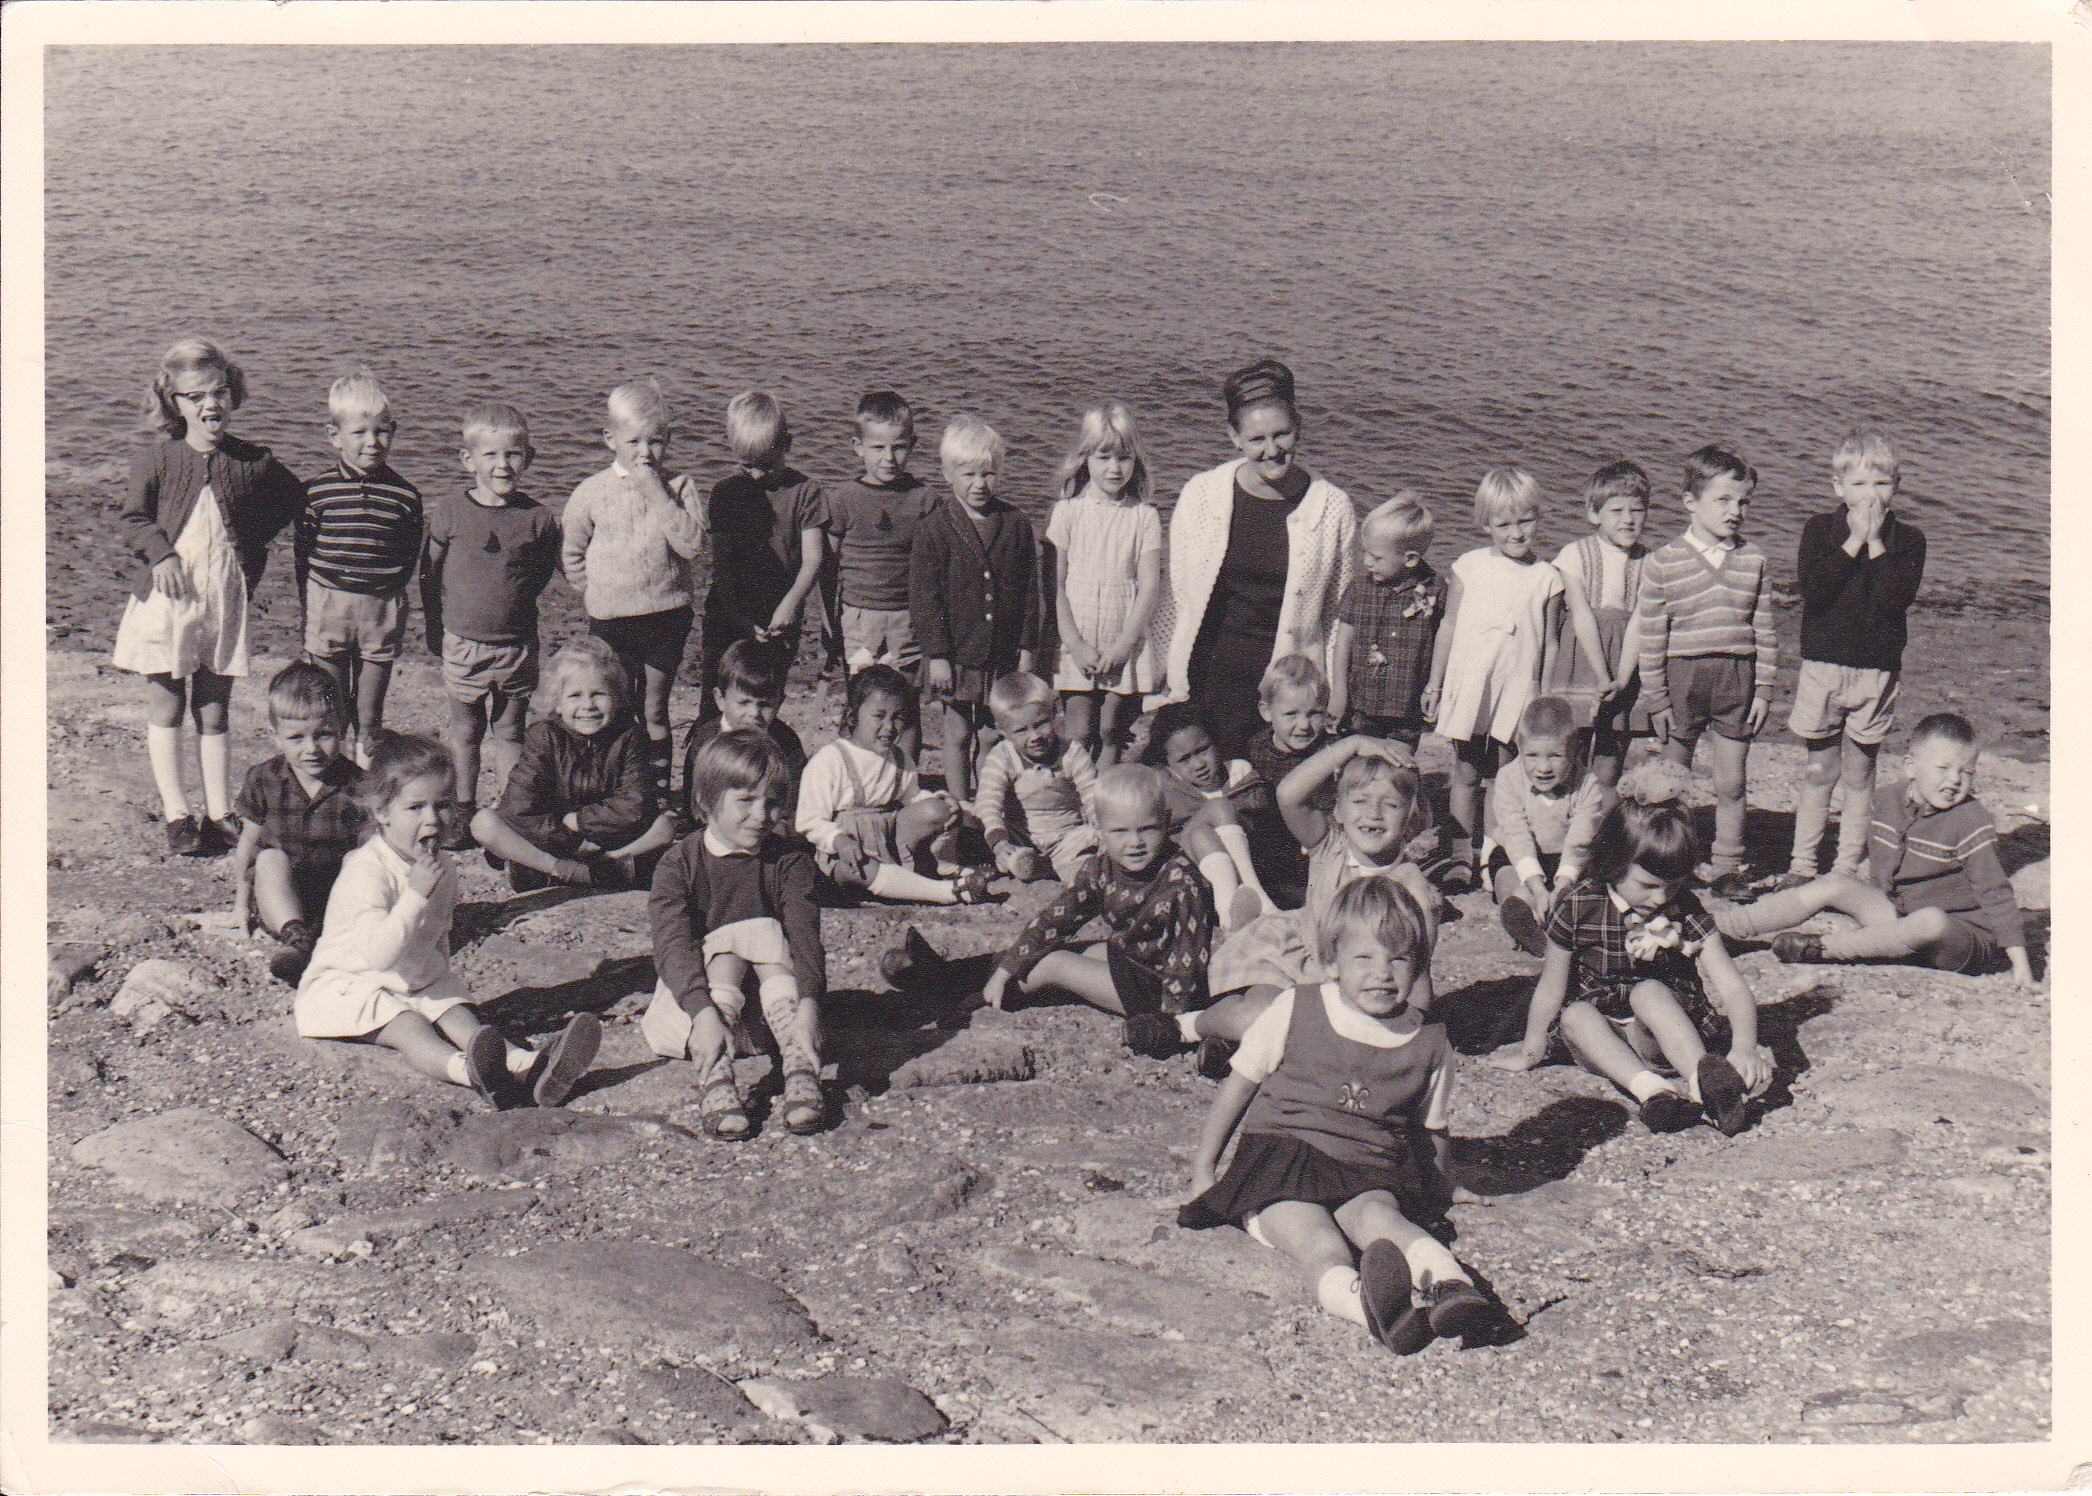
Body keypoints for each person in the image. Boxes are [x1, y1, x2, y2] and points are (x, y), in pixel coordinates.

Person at [1178, 876, 1494, 1356]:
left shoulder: (1431, 1041)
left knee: (1385, 1221)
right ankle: (1371, 1306)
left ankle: (1451, 1286)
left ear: (1420, 968)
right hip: (1280, 1162)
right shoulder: (1296, 1007)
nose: (1382, 973)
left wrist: (1443, 1183)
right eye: (1363, 958)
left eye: (1399, 959)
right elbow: (1238, 1087)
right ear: (1332, 961)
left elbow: (1434, 1129)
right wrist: (1204, 1171)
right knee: (1320, 1243)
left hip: (1366, 1167)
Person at [295, 734, 601, 1108]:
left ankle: (530, 1067)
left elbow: (439, 935)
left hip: (412, 977)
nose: (431, 820)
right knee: (411, 1028)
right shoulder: (367, 869)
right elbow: (377, 956)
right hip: (350, 983)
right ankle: (469, 1072)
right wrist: (415, 896)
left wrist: (443, 986)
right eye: (415, 808)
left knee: (462, 1017)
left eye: (441, 806)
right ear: (382, 811)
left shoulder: (443, 868)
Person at [1490, 770, 1773, 1137]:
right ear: (1613, 864)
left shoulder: (1684, 909)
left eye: (1672, 887)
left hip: (1664, 1034)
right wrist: (1531, 1051)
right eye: (1648, 886)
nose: (1660, 899)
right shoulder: (1579, 906)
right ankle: (1654, 1095)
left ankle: (1707, 1087)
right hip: (1602, 1040)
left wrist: (1745, 1047)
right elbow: (1551, 986)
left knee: (1649, 991)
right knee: (1575, 1014)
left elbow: (1732, 986)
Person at [113, 335, 304, 856]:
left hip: (223, 599)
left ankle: (220, 812)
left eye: (218, 392)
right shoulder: (154, 459)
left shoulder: (255, 462)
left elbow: (295, 501)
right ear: (173, 402)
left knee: (215, 709)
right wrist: (163, 554)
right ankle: (178, 814)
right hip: (167, 599)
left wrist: (255, 550)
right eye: (194, 396)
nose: (209, 404)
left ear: (233, 394)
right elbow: (133, 520)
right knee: (167, 703)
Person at [1719, 713, 2034, 987]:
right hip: (1899, 918)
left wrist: (2019, 964)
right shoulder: (1886, 800)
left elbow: (1995, 891)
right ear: (1911, 767)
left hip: (1958, 939)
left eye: (1967, 772)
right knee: (1835, 883)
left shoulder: (1971, 819)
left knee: (1931, 921)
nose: (1955, 780)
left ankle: (1824, 949)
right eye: (1943, 768)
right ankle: (1722, 928)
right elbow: (1882, 872)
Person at [1197, 735, 1442, 1073]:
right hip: (1296, 959)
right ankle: (1189, 1025)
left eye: (1390, 804)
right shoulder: (1329, 846)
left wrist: (1411, 1039)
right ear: (1338, 811)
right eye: (1360, 801)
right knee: (1257, 1015)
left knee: (1316, 1043)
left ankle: (1237, 1047)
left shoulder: (1411, 888)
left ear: (1411, 818)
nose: (1373, 813)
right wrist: (1352, 744)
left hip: (1355, 989)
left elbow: (1418, 978)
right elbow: (1288, 794)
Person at [1154, 358, 1356, 760]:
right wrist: (1159, 667)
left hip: (1284, 684)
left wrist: (1334, 687)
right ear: (1234, 437)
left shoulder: (1332, 506)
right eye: (1257, 439)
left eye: (1282, 435)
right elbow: (1175, 592)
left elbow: (1337, 612)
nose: (1271, 450)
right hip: (1205, 668)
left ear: (1299, 428)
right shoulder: (1202, 494)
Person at [643, 730, 828, 1139]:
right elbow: (673, 946)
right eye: (745, 800)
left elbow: (805, 937)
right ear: (706, 804)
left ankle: (798, 1061)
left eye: (773, 802)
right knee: (731, 946)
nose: (762, 815)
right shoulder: (679, 865)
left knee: (768, 932)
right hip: (699, 1013)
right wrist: (703, 1013)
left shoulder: (790, 861)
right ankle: (715, 1076)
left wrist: (810, 1004)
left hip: (773, 1016)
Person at [1776, 427, 1927, 889]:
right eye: (1859, 484)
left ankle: (1845, 866)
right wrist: (1852, 541)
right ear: (1838, 487)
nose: (1870, 494)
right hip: (1824, 665)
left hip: (1876, 672)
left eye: (1881, 483)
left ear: (1896, 486)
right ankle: (1802, 864)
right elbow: (1816, 592)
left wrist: (1875, 541)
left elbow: (1892, 600)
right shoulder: (1819, 530)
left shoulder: (1909, 540)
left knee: (1860, 774)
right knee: (1820, 769)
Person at [982, 764, 1216, 1059]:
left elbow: (1188, 963)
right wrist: (1005, 969)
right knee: (1049, 948)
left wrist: (1169, 1026)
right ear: (1099, 829)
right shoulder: (1103, 867)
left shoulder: (1182, 883)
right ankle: (951, 974)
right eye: (1119, 831)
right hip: (1132, 959)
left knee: (1054, 963)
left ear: (1166, 822)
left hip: (1159, 990)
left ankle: (984, 998)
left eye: (1147, 829)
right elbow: (1058, 918)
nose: (1135, 843)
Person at [1635, 444, 1776, 901]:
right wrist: (1656, 697)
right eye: (1724, 500)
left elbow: (1765, 629)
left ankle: (1727, 866)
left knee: (1731, 781)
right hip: (1682, 681)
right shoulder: (1661, 563)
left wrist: (1764, 689)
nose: (1735, 511)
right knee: (1671, 781)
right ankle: (1671, 863)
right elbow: (1652, 638)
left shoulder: (1753, 559)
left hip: (1737, 679)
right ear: (1690, 502)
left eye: (1743, 502)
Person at [420, 401, 560, 848]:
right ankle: (462, 811)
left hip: (517, 645)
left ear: (529, 458)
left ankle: (511, 812)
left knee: (510, 731)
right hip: (462, 642)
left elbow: (539, 574)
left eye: (514, 454)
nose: (503, 465)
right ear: (468, 461)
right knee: (465, 731)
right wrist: (435, 626)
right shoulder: (450, 512)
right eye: (491, 455)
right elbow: (430, 571)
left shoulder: (538, 518)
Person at [560, 379, 707, 804]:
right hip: (611, 619)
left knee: (656, 709)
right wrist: (595, 593)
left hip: (667, 615)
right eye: (634, 441)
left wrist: (656, 493)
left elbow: (691, 545)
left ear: (668, 441)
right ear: (611, 440)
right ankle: (615, 787)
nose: (645, 451)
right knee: (615, 707)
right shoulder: (591, 492)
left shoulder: (679, 488)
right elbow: (572, 551)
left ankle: (658, 791)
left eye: (656, 441)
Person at [1422, 468, 1566, 891]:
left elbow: (1551, 641)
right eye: (1503, 524)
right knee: (1465, 771)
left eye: (1525, 521)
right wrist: (1435, 683)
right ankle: (1460, 856)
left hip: (1519, 687)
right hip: (1473, 685)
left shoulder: (1547, 577)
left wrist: (1543, 692)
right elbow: (1447, 626)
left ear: (1538, 517)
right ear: (1485, 525)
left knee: (1505, 775)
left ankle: (1494, 857)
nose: (1516, 533)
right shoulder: (1467, 567)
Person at [471, 637, 675, 891]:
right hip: (554, 839)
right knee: (483, 823)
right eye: (575, 696)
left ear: (617, 698)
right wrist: (571, 841)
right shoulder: (543, 736)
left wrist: (580, 822)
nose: (587, 706)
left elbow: (635, 803)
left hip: (609, 837)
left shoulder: (630, 736)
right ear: (557, 702)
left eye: (599, 694)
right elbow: (519, 806)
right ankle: (566, 871)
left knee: (664, 825)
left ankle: (604, 866)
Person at [910, 414, 1041, 808]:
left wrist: (1027, 650)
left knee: (990, 734)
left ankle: (987, 802)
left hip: (1001, 655)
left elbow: (1030, 593)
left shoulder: (1015, 523)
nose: (979, 484)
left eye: (989, 474)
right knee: (957, 729)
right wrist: (937, 655)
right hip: (956, 654)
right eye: (968, 474)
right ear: (948, 474)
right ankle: (956, 802)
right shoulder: (934, 527)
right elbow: (924, 598)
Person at [294, 368, 423, 764]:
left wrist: (390, 594)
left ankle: (367, 758)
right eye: (359, 433)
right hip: (329, 601)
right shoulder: (316, 492)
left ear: (393, 431)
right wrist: (309, 606)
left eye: (382, 431)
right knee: (330, 702)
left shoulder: (405, 495)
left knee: (369, 711)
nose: (372, 442)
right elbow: (303, 552)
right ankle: (334, 766)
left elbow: (409, 553)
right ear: (334, 436)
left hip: (380, 606)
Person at [795, 664, 990, 905]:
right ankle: (944, 892)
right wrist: (839, 840)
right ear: (852, 717)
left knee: (939, 809)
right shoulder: (830, 760)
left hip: (890, 841)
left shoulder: (899, 759)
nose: (889, 727)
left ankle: (941, 867)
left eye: (897, 718)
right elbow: (809, 821)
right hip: (846, 854)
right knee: (860, 869)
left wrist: (938, 800)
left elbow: (912, 797)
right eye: (878, 716)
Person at [227, 662, 365, 985]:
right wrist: (240, 904)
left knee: (358, 858)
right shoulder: (263, 779)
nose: (311, 749)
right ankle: (297, 940)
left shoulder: (360, 786)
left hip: (339, 900)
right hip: (281, 900)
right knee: (268, 858)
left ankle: (342, 938)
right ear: (276, 736)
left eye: (324, 735)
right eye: (296, 738)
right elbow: (248, 846)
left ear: (343, 728)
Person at [817, 390, 936, 756]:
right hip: (858, 618)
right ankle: (854, 774)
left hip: (907, 619)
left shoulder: (925, 498)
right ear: (857, 446)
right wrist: (828, 624)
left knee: (907, 708)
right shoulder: (843, 499)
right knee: (861, 704)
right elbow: (826, 568)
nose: (889, 458)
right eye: (878, 448)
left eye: (899, 447)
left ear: (913, 445)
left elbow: (934, 569)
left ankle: (906, 781)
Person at [1046, 400, 1164, 766]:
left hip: (1122, 636)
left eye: (1124, 458)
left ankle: (1106, 797)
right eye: (1103, 457)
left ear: (1136, 461)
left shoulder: (1144, 516)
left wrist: (1124, 643)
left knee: (1112, 727)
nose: (1115, 468)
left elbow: (1149, 585)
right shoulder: (1067, 511)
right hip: (1076, 633)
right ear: (1085, 459)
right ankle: (1078, 796)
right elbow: (1056, 584)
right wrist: (1074, 643)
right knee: (1080, 729)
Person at [699, 390, 825, 723]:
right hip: (729, 610)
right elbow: (722, 566)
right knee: (716, 706)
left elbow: (813, 560)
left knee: (764, 703)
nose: (756, 475)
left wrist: (790, 605)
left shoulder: (807, 492)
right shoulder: (725, 493)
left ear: (787, 444)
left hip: (780, 613)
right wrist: (737, 616)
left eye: (766, 466)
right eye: (746, 465)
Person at [1546, 460, 1654, 789]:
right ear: (1595, 514)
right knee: (1569, 750)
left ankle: (1601, 829)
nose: (1628, 519)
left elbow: (1641, 620)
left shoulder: (1650, 560)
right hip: (1582, 657)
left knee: (1611, 757)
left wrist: (1621, 677)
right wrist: (1602, 674)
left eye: (1637, 509)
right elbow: (1580, 615)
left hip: (1626, 659)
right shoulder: (1574, 554)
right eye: (1617, 510)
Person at [1141, 703, 1281, 931]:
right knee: (1218, 808)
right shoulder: (1163, 789)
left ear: (1216, 743)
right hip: (1194, 877)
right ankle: (1263, 905)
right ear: (1167, 763)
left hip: (1246, 867)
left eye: (1203, 750)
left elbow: (1262, 826)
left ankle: (1228, 919)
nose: (1198, 765)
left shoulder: (1238, 771)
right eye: (1184, 759)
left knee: (1213, 821)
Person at [1490, 696, 1607, 959]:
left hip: (1569, 860)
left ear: (1575, 749)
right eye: (1532, 755)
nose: (1543, 768)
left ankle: (1560, 917)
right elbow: (1516, 833)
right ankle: (1533, 929)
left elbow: (1580, 838)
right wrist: (1538, 887)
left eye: (1555, 756)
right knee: (1510, 885)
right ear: (1519, 747)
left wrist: (1563, 884)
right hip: (1521, 857)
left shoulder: (1587, 783)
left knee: (1588, 888)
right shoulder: (1508, 778)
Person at [1329, 493, 1443, 750]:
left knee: (1399, 765)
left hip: (1407, 706)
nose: (1367, 563)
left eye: (1376, 557)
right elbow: (1342, 643)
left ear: (1410, 559)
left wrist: (1435, 689)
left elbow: (1443, 643)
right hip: (1361, 702)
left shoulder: (1436, 590)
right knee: (1357, 763)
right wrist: (1338, 691)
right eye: (1365, 553)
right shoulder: (1359, 589)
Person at [973, 671, 1100, 884]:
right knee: (978, 826)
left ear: (1054, 713)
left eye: (1041, 723)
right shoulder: (1002, 756)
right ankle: (1024, 863)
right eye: (1021, 730)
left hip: (1067, 835)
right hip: (1020, 837)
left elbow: (1093, 797)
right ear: (1002, 730)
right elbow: (988, 801)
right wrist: (1000, 843)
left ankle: (1065, 867)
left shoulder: (1072, 753)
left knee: (1093, 840)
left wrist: (1100, 828)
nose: (1035, 737)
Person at [1243, 654, 1336, 910]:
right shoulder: (1257, 748)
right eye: (1291, 714)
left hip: (1315, 847)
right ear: (1266, 712)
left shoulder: (1330, 753)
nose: (1304, 725)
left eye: (1314, 713)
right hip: (1272, 847)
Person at [681, 637, 807, 828]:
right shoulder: (706, 739)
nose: (754, 714)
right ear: (720, 699)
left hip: (766, 832)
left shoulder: (787, 744)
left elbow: (794, 808)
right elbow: (694, 805)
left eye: (765, 705)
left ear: (780, 701)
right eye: (743, 703)